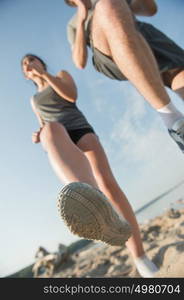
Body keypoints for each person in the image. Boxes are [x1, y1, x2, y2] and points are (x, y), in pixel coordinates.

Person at [21, 54, 158, 277]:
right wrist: (39, 134)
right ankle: (90, 202)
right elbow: (43, 122)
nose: (28, 65)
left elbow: (71, 96)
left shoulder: (60, 75)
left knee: (107, 183)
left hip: (79, 128)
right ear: (25, 74)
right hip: (57, 136)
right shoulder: (33, 100)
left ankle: (140, 256)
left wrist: (45, 75)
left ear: (41, 63)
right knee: (49, 130)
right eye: (25, 65)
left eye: (31, 61)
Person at [65, 0, 184, 152]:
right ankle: (174, 123)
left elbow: (151, 10)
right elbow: (79, 61)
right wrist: (81, 20)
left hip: (150, 39)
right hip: (110, 51)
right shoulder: (73, 24)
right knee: (107, 5)